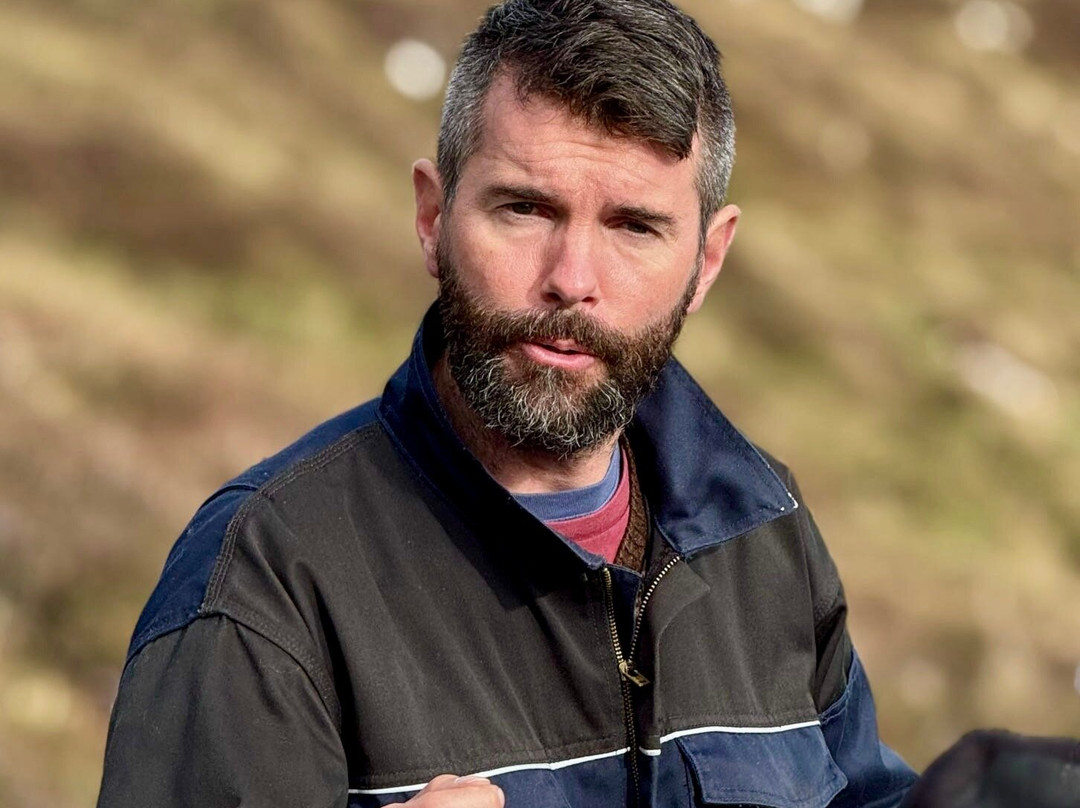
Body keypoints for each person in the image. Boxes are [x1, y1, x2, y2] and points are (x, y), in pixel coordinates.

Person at [96, 1, 921, 806]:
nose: (572, 279)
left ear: (706, 262)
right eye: (525, 208)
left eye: (635, 227)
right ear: (433, 216)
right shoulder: (263, 582)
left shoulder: (761, 530)